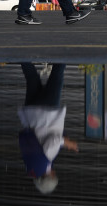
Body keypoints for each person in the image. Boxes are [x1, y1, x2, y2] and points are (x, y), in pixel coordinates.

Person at [18, 62, 79, 194]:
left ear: (51, 176)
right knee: (31, 77)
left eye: (54, 175)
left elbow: (54, 140)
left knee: (58, 73)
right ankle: (17, 50)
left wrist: (67, 143)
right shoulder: (31, 162)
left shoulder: (47, 160)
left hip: (48, 112)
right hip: (31, 113)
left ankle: (65, 46)